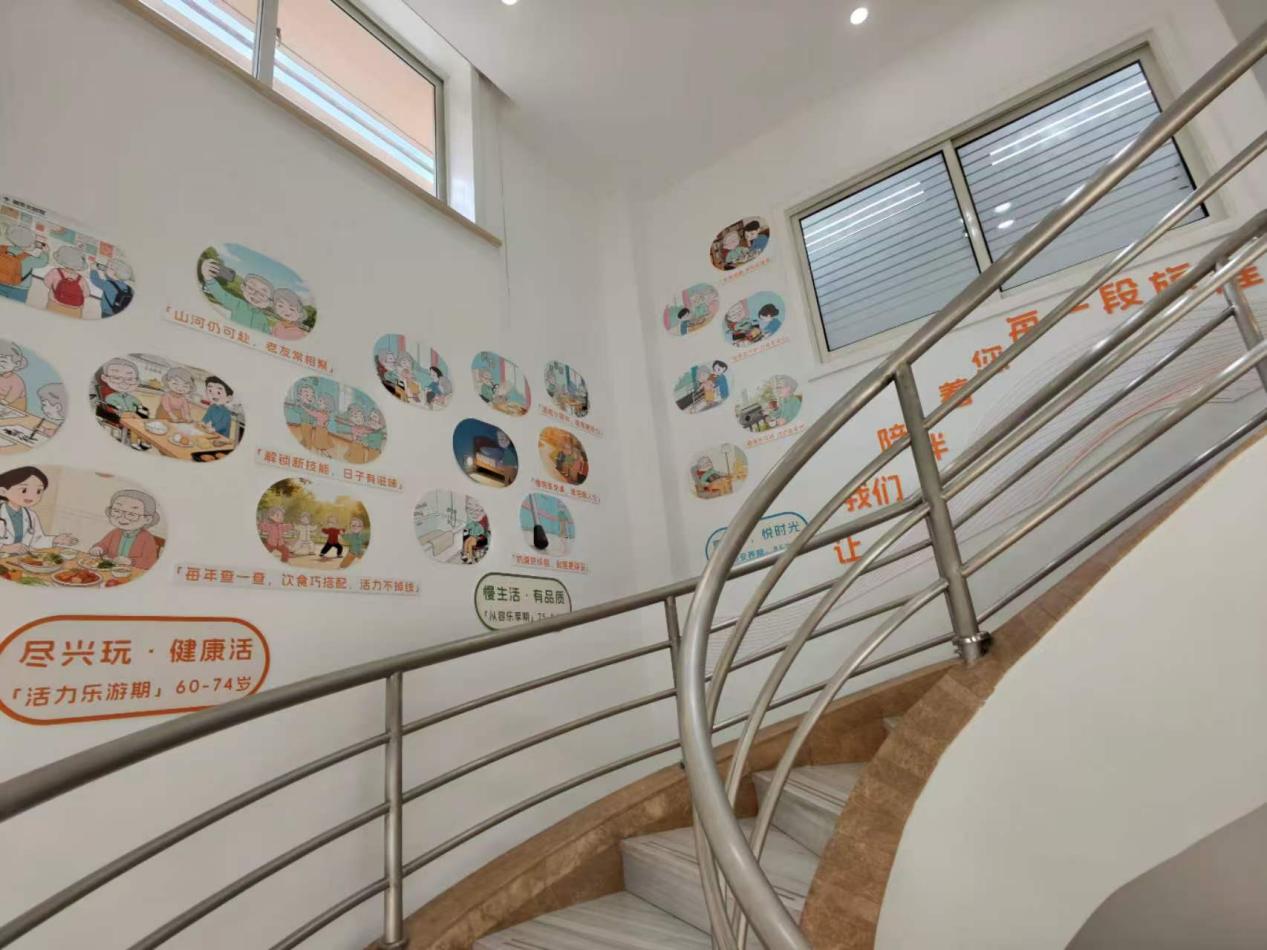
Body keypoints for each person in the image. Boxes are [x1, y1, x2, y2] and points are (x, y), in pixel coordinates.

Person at [0, 466, 77, 553]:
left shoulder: (31, 515)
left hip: (19, 558)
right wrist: (4, 548)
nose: (32, 496)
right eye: (24, 490)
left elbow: (36, 540)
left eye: (38, 491)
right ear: (3, 491)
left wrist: (55, 539)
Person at [89, 489, 162, 570]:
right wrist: (99, 548)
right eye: (117, 511)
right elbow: (103, 544)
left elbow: (150, 562)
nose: (122, 518)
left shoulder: (147, 538)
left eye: (131, 514)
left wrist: (131, 562)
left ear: (147, 519)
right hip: (110, 569)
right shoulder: (115, 532)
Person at [199, 258, 274, 334]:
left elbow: (266, 335)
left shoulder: (263, 319)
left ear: (269, 302)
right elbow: (222, 295)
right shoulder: (238, 304)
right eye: (251, 288)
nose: (255, 294)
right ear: (243, 287)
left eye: (262, 294)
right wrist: (209, 279)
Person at [0, 225, 48, 303]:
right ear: (29, 243)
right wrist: (45, 252)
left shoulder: (2, 248)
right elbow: (43, 262)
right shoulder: (28, 258)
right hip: (19, 288)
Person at [44, 246, 90, 318]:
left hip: (55, 304)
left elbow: (47, 283)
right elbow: (86, 294)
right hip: (74, 310)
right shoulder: (81, 279)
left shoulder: (55, 272)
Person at [0, 340, 29, 410]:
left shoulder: (16, 380)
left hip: (14, 405)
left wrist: (4, 402)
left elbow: (14, 394)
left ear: (16, 364)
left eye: (3, 361)